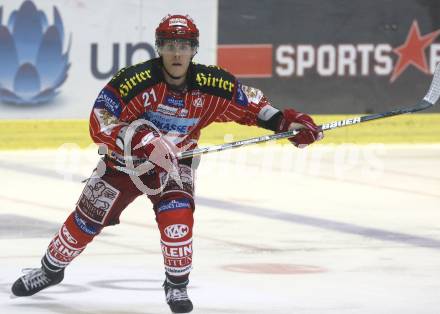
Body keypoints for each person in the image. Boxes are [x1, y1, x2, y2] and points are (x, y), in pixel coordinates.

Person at [11, 14, 323, 313]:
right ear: (159, 47)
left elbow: (253, 106)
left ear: (194, 49)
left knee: (177, 221)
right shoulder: (136, 81)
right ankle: (51, 270)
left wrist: (286, 123)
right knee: (84, 223)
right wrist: (141, 141)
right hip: (122, 165)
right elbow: (99, 119)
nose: (177, 53)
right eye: (170, 45)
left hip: (177, 163)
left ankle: (176, 285)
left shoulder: (212, 85)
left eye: (184, 45)